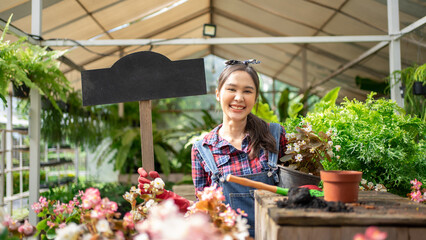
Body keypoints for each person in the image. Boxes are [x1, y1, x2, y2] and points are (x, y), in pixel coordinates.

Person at [191, 59, 288, 237]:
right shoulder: (203, 149)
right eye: (232, 89)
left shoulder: (275, 135)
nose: (239, 98)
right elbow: (203, 207)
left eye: (247, 91)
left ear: (255, 97)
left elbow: (294, 192)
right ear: (218, 93)